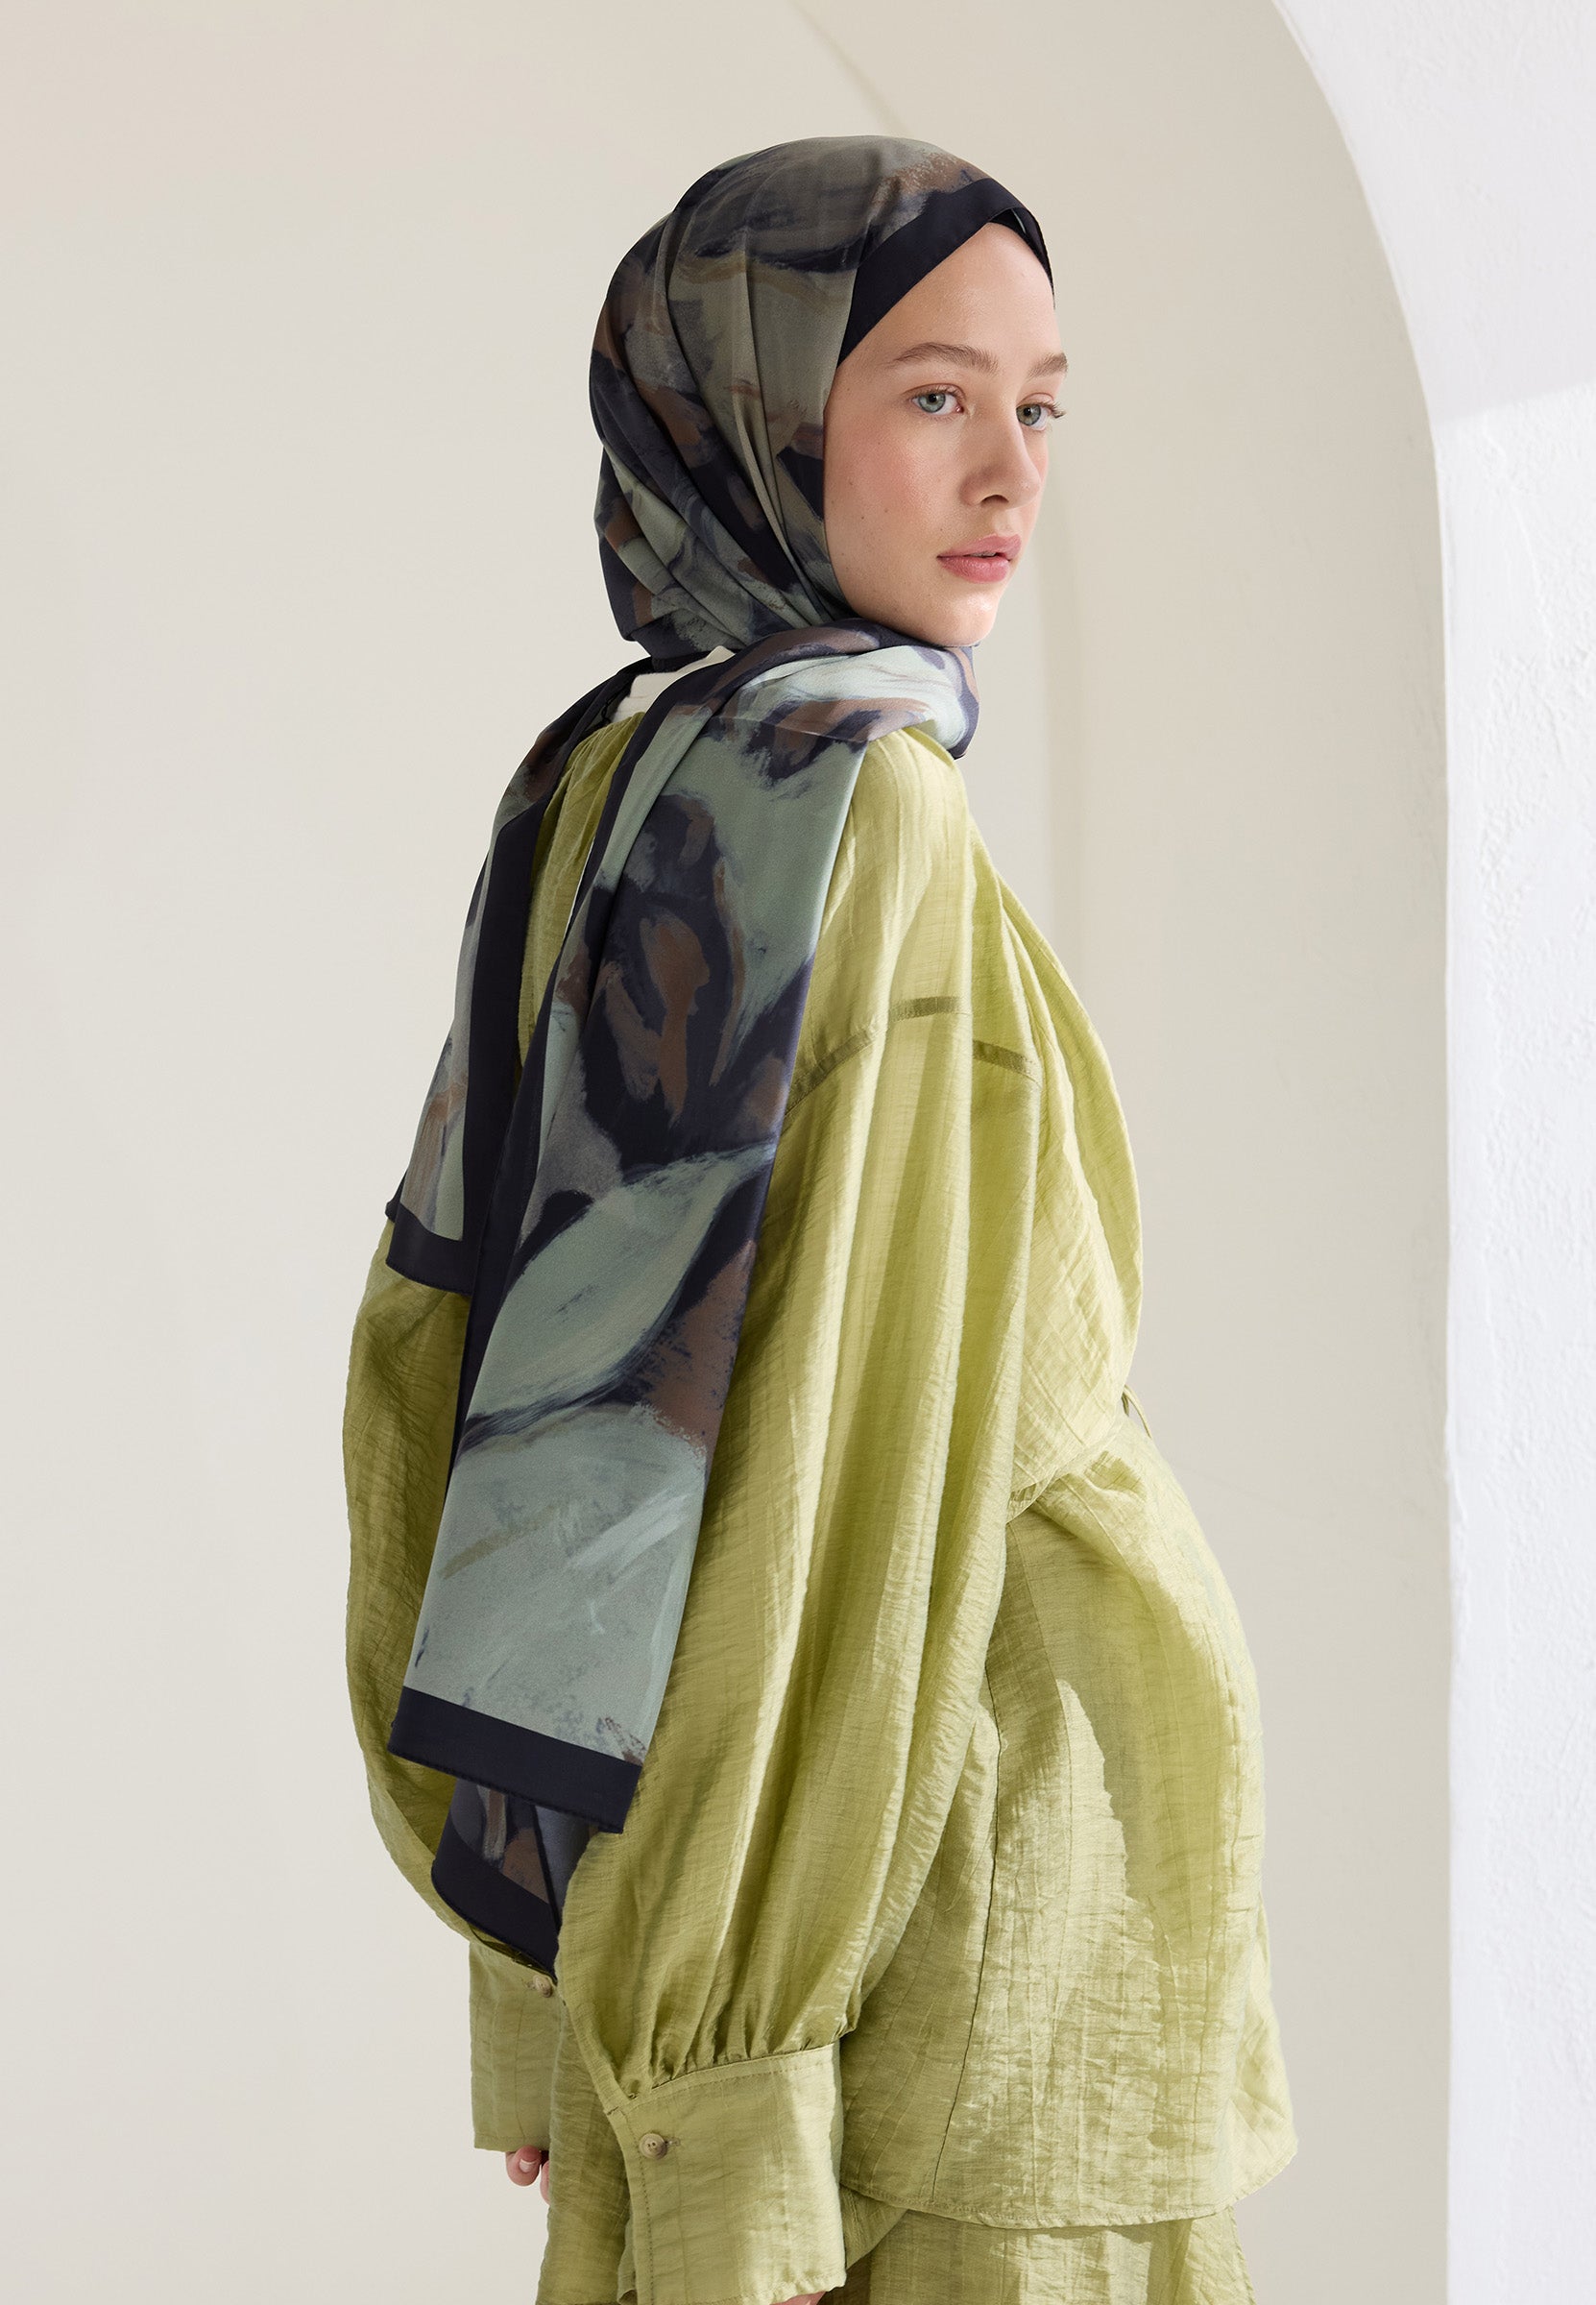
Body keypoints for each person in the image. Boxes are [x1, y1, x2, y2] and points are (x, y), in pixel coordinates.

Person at [344, 135, 1294, 2305]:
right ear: (753, 406)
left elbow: (480, 1396)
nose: (1011, 475)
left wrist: (546, 1953)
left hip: (803, 1912)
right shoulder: (855, 805)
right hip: (951, 1939)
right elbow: (830, 1474)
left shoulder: (623, 777)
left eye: (1039, 404)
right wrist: (729, 2064)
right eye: (934, 394)